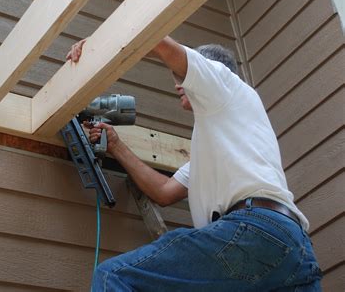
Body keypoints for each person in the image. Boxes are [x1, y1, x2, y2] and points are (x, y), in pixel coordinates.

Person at [66, 36, 322, 291]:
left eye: (181, 77)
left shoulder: (222, 81)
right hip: (294, 250)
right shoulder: (220, 141)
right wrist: (116, 145)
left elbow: (159, 42)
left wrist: (97, 44)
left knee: (113, 276)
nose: (177, 85)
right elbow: (164, 192)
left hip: (254, 234)